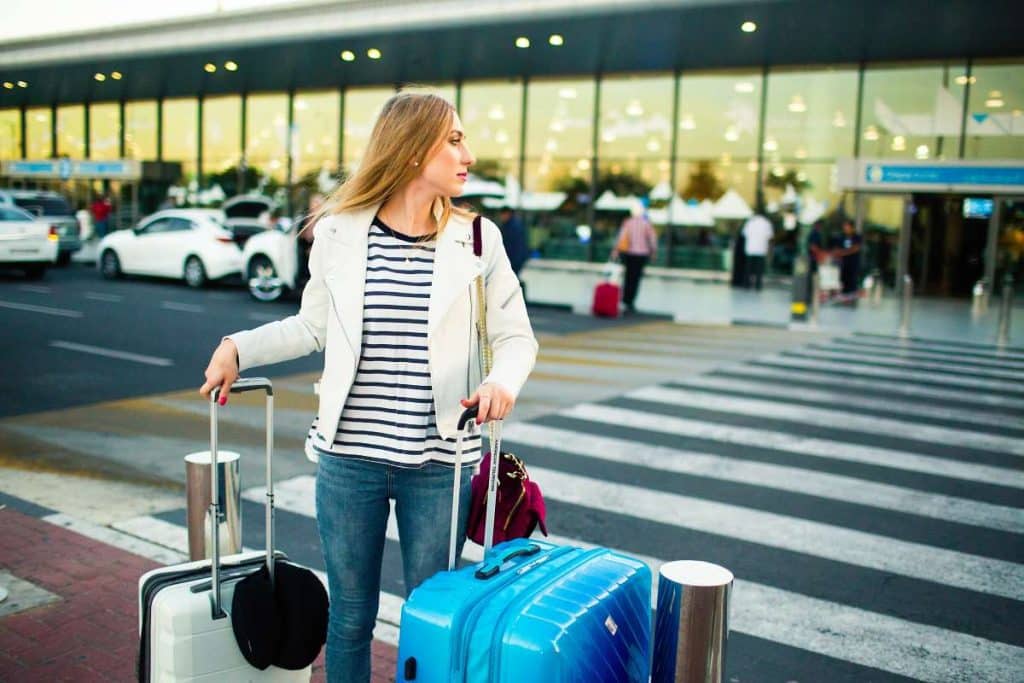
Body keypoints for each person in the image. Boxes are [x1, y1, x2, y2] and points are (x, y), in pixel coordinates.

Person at [199, 93, 538, 682]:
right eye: (453, 140)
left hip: (439, 463)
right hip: (348, 459)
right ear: (411, 151)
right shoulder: (340, 232)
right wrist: (238, 347)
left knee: (430, 616)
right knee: (351, 616)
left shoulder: (478, 239)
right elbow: (310, 326)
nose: (469, 154)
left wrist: (500, 382)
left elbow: (517, 337)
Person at [610, 203, 658, 313]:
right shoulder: (646, 224)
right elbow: (652, 239)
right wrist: (653, 252)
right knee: (636, 278)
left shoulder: (628, 223)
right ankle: (631, 301)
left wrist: (616, 250)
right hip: (641, 254)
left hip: (629, 253)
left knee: (628, 277)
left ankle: (625, 299)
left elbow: (621, 237)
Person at [740, 210, 773, 290]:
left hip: (750, 249)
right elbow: (770, 236)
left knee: (748, 268)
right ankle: (758, 285)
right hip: (761, 249)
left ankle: (746, 284)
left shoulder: (750, 222)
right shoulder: (766, 223)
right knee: (759, 269)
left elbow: (744, 233)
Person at [833, 219, 862, 300]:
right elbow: (837, 248)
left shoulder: (856, 237)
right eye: (844, 227)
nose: (845, 228)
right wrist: (839, 253)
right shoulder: (841, 237)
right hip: (843, 262)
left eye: (847, 227)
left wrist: (844, 252)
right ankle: (844, 294)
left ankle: (852, 294)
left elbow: (856, 248)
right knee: (843, 278)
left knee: (852, 278)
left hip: (853, 262)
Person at [497, 206, 528, 278]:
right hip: (514, 258)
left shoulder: (513, 227)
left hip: (514, 259)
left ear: (507, 214)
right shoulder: (509, 225)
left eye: (502, 215)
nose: (501, 217)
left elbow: (516, 245)